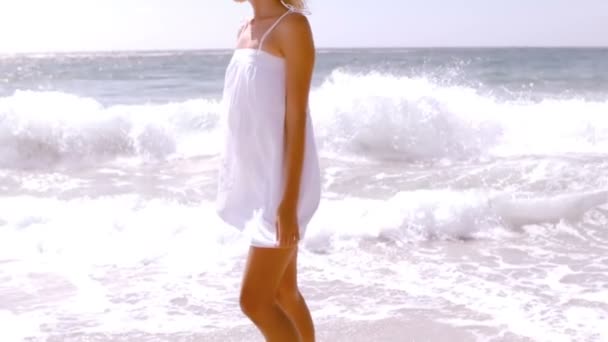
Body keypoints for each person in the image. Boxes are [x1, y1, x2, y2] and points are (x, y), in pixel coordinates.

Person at [216, 0, 321, 341]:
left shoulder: (292, 27)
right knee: (283, 293)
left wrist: (287, 203)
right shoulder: (244, 30)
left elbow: (296, 120)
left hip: (280, 184)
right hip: (256, 177)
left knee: (254, 301)